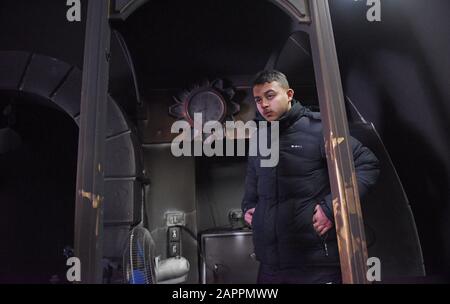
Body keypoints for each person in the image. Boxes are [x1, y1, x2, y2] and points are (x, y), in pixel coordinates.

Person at [242, 70, 380, 284]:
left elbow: (367, 164)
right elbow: (253, 179)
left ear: (289, 94)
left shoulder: (320, 130)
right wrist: (248, 207)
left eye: (270, 96)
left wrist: (331, 208)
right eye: (258, 99)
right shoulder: (260, 137)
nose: (264, 105)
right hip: (271, 263)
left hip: (315, 263)